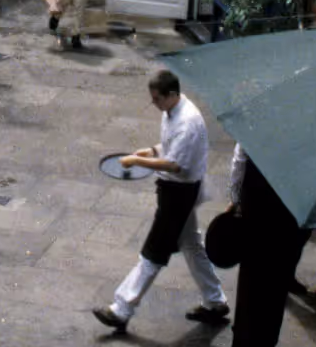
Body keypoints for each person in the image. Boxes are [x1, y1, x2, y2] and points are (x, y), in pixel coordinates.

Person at [92, 69, 228, 332]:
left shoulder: (187, 122)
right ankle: (215, 301)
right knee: (191, 244)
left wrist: (137, 160)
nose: (154, 104)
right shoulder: (174, 111)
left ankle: (121, 309)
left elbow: (174, 164)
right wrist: (153, 150)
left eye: (157, 99)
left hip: (179, 193)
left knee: (154, 252)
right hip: (179, 190)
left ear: (172, 95)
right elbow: (170, 146)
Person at [225, 146, 305, 347]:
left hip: (256, 195)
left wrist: (236, 197)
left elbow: (240, 156)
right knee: (273, 279)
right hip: (280, 199)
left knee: (252, 272)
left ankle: (245, 341)